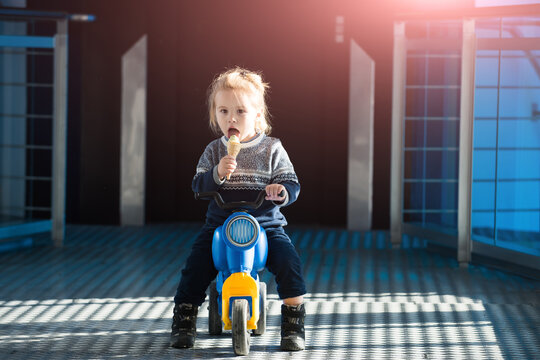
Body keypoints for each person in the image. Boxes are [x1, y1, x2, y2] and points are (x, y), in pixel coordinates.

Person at [170, 67, 307, 351]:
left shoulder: (271, 148)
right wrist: (217, 175)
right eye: (223, 111)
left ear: (258, 115)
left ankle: (293, 321)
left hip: (265, 223)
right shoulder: (213, 151)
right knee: (196, 266)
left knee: (288, 262)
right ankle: (184, 317)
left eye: (241, 111)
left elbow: (290, 182)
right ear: (214, 115)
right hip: (221, 224)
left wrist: (280, 191)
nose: (231, 118)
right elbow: (199, 185)